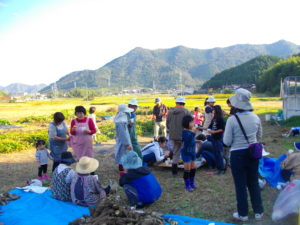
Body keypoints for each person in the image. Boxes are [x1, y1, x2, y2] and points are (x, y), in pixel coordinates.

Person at [223, 88, 264, 222]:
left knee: (240, 185)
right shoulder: (255, 117)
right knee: (253, 182)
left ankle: (243, 214)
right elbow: (259, 136)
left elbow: (227, 141)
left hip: (238, 154)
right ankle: (258, 211)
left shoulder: (232, 120)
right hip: (253, 153)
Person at [167, 96, 191, 175]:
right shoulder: (186, 112)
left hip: (173, 135)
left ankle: (174, 171)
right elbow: (190, 124)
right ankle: (187, 170)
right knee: (186, 151)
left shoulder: (170, 112)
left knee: (175, 152)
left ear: (176, 103)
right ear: (184, 103)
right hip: (184, 135)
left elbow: (167, 124)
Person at [114, 104, 133, 176]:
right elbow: (122, 133)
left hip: (124, 140)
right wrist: (127, 144)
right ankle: (123, 170)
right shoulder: (120, 122)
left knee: (122, 154)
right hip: (123, 141)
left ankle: (123, 168)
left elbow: (125, 131)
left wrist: (129, 126)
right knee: (123, 154)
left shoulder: (121, 120)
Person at [208, 105, 226, 175]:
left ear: (216, 110)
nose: (212, 111)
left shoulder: (220, 119)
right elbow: (209, 127)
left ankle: (221, 169)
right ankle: (218, 167)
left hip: (218, 138)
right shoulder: (214, 118)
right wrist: (202, 128)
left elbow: (222, 129)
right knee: (215, 153)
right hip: (213, 138)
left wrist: (214, 132)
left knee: (219, 154)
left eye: (213, 110)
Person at [181, 115, 198, 191]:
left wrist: (197, 141)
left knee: (193, 167)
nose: (193, 123)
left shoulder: (190, 132)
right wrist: (193, 133)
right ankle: (187, 185)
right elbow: (187, 141)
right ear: (186, 123)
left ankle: (192, 183)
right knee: (187, 169)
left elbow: (192, 141)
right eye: (192, 122)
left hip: (192, 152)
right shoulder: (184, 132)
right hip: (186, 153)